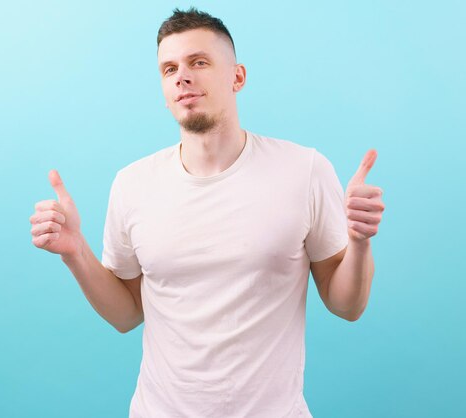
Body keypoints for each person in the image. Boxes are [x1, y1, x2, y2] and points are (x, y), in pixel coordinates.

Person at [29, 7, 385, 418]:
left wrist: (359, 243)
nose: (182, 76)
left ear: (237, 77)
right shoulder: (132, 184)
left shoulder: (303, 170)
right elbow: (127, 315)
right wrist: (75, 251)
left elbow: (347, 306)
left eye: (199, 62)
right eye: (169, 68)